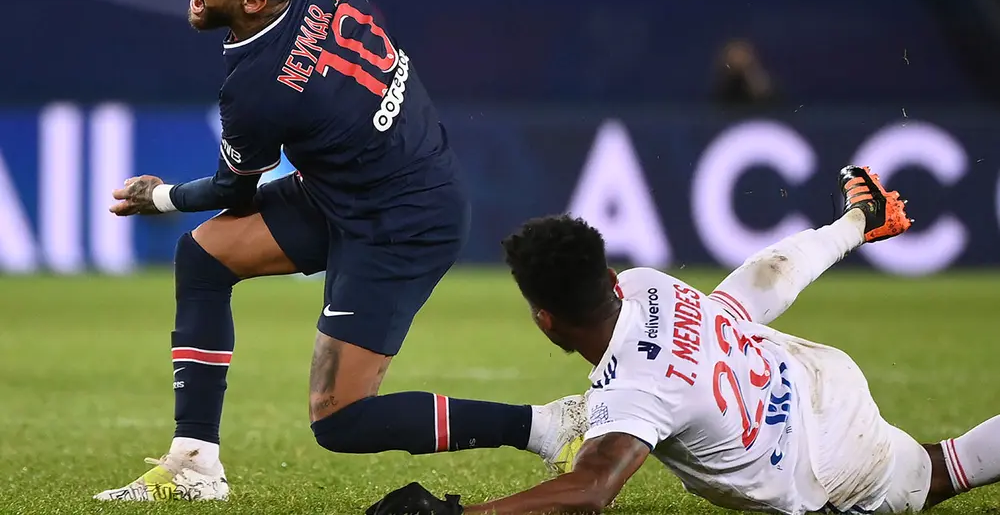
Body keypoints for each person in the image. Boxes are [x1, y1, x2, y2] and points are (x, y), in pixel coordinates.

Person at [96, 0, 584, 501]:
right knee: (203, 257)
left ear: (253, 2)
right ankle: (194, 463)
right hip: (353, 187)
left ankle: (547, 426)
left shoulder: (258, 87)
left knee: (341, 420)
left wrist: (159, 197)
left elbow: (234, 190)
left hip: (403, 221)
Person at [367, 165, 1000, 514]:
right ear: (610, 279)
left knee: (927, 478)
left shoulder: (633, 396)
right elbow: (752, 291)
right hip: (819, 380)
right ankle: (861, 221)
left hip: (828, 465)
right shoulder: (647, 285)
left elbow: (590, 490)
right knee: (936, 466)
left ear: (545, 321)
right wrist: (851, 227)